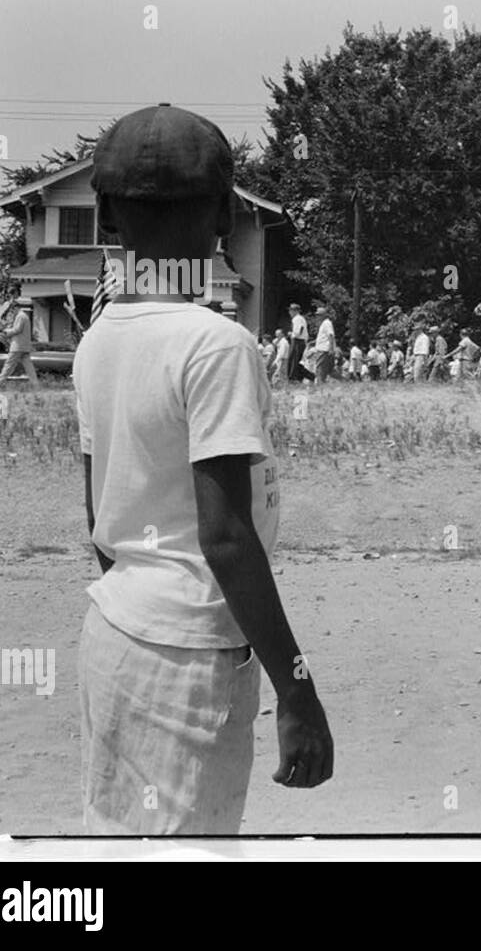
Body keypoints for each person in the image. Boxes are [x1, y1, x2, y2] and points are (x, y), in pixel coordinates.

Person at [74, 103, 332, 835]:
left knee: (112, 845)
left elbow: (99, 521)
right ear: (224, 213)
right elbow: (225, 536)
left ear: (104, 218)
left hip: (114, 628)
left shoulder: (98, 339)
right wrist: (297, 687)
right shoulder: (215, 344)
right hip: (190, 657)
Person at [0, 296, 38, 385]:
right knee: (29, 367)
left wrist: (7, 332)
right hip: (24, 346)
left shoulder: (20, 316)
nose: (12, 312)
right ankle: (35, 384)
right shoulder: (24, 316)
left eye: (12, 310)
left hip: (17, 346)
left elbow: (17, 329)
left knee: (8, 365)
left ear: (16, 308)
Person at [286, 303, 311, 382]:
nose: (289, 312)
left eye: (290, 310)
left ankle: (293, 379)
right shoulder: (300, 318)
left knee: (294, 360)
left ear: (295, 311)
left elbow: (299, 330)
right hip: (300, 341)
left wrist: (292, 334)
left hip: (297, 341)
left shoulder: (297, 319)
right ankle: (305, 377)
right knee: (298, 361)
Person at [312, 304, 335, 383]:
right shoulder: (324, 323)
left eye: (318, 315)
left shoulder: (326, 323)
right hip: (323, 348)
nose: (317, 317)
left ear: (323, 315)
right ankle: (344, 381)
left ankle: (320, 384)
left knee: (320, 368)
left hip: (323, 349)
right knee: (328, 370)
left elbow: (330, 335)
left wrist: (331, 348)